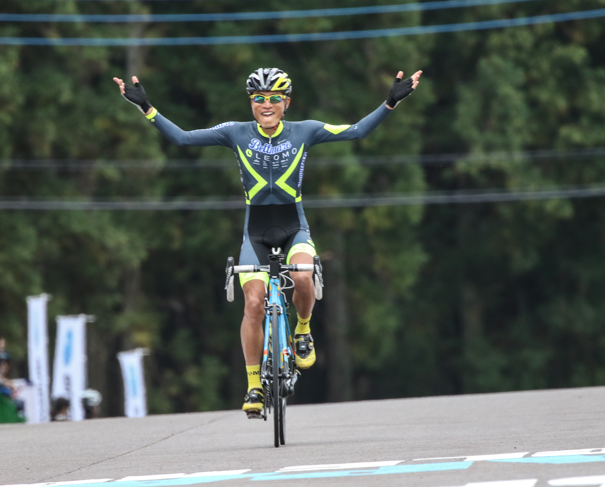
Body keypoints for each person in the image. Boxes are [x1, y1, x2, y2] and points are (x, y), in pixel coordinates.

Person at [114, 67, 422, 416]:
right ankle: (254, 386)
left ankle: (302, 332)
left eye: (274, 98)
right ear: (251, 103)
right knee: (253, 304)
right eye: (258, 98)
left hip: (294, 227)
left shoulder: (305, 131)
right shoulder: (235, 132)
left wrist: (390, 102)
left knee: (303, 276)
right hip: (255, 232)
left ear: (286, 102)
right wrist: (146, 108)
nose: (266, 104)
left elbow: (356, 132)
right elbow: (183, 139)